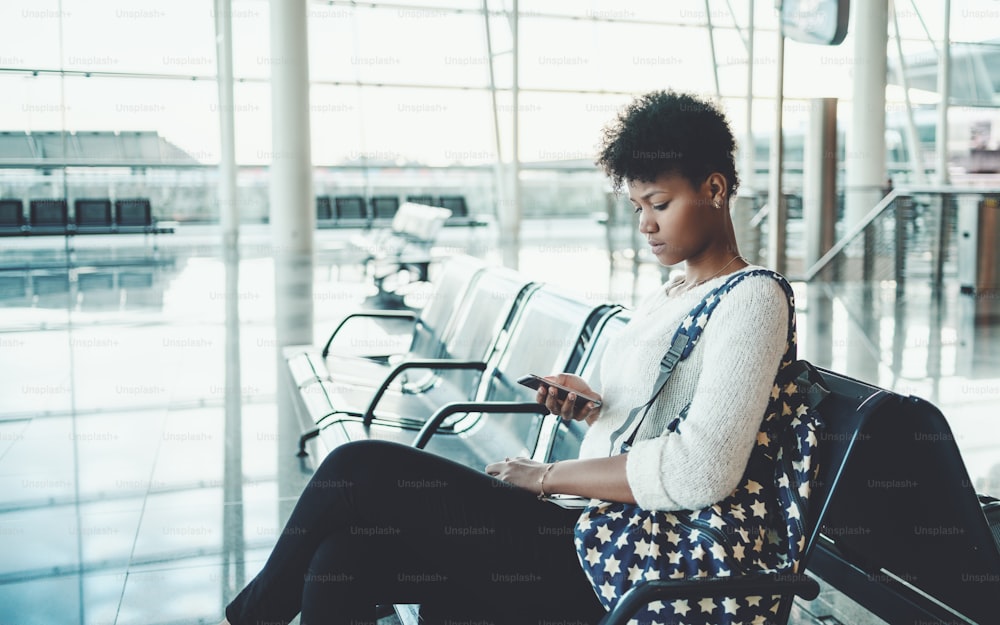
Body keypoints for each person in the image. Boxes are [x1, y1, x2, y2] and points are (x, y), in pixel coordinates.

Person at [220, 90, 790, 625]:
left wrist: (543, 477)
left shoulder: (752, 298)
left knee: (358, 468)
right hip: (599, 532)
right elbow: (659, 420)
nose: (645, 223)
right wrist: (595, 405)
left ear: (715, 190)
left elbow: (699, 471)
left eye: (659, 203)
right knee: (342, 559)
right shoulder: (673, 295)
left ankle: (248, 617)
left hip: (643, 563)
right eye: (637, 205)